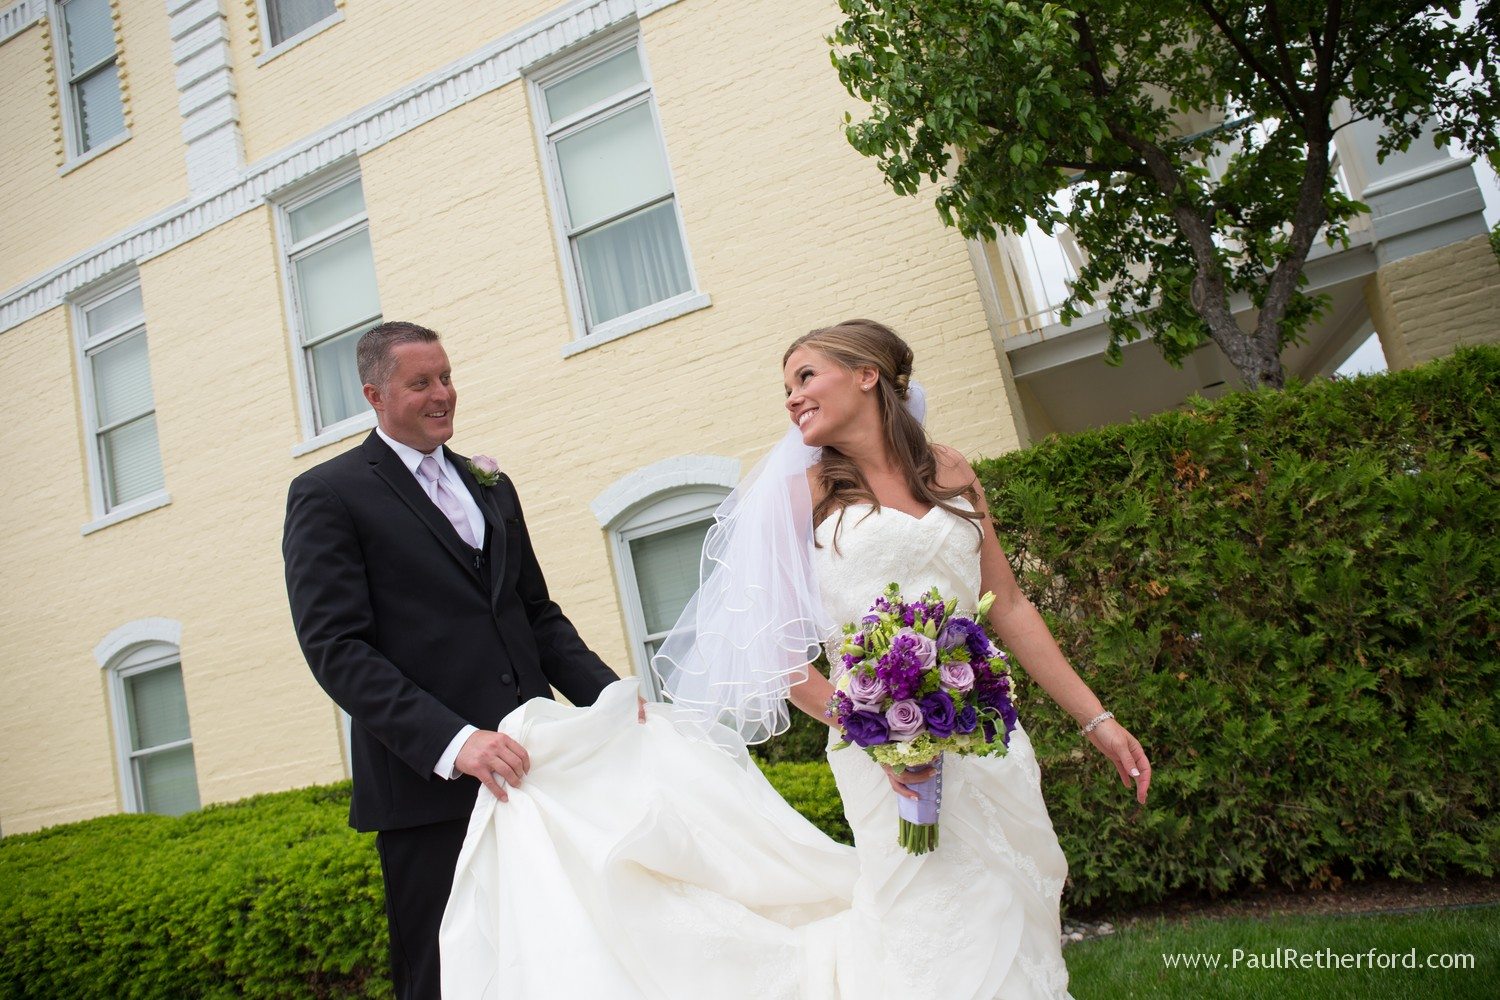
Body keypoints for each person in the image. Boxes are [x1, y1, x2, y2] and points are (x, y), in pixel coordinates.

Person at [440, 319, 1150, 999]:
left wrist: (1098, 720)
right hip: (878, 751)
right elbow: (775, 655)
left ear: (868, 376)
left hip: (986, 735)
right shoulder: (798, 493)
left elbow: (1012, 606)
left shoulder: (953, 471)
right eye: (787, 386)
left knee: (1012, 887)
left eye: (807, 375)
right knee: (927, 903)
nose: (792, 397)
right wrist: (880, 732)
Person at [282, 321, 618, 1000]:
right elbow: (336, 649)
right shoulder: (329, 494)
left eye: (447, 377)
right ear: (375, 394)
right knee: (446, 977)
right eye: (421, 383)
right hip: (427, 792)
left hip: (535, 771)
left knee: (553, 960)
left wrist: (611, 699)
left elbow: (535, 614)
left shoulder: (490, 483)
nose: (444, 395)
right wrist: (455, 742)